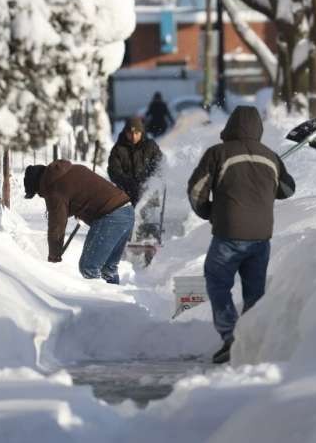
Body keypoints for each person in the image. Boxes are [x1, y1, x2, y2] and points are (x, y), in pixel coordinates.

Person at [187, 106, 295, 364]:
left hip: (229, 233)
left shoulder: (218, 153)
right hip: (261, 237)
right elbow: (288, 189)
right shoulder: (270, 157)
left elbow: (196, 190)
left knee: (218, 282)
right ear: (258, 128)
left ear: (231, 125)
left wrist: (209, 211)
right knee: (254, 291)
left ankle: (230, 336)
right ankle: (251, 341)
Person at [24, 161, 133, 284]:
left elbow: (57, 226)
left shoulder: (52, 187)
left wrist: (54, 257)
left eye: (38, 193)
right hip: (127, 210)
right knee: (108, 269)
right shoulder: (70, 170)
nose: (41, 196)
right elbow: (83, 194)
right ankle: (115, 299)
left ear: (39, 185)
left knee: (88, 268)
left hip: (111, 216)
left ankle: (99, 300)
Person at [107, 116, 163, 206]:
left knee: (147, 217)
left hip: (148, 196)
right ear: (125, 133)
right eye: (130, 133)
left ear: (141, 132)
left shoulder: (151, 146)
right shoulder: (118, 149)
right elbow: (114, 171)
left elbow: (160, 164)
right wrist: (128, 183)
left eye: (136, 133)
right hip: (126, 196)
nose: (133, 136)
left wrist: (149, 180)